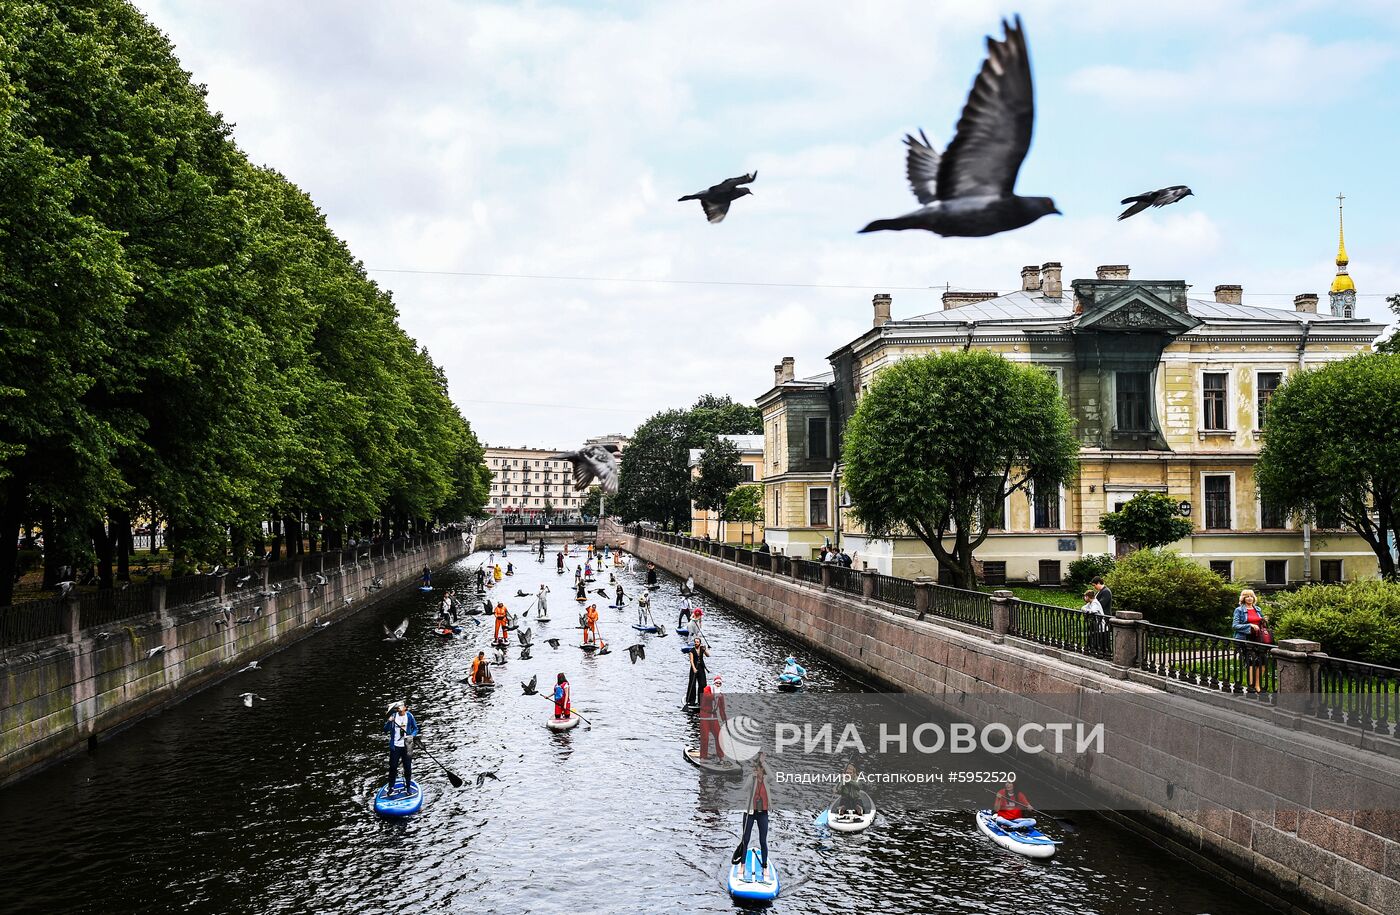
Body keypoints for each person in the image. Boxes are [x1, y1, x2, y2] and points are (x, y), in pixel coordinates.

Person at [733, 752, 772, 880]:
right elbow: (744, 789)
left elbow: (772, 776)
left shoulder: (766, 779)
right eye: (755, 769)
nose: (757, 771)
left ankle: (764, 866)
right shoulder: (752, 778)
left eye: (759, 769)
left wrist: (763, 762)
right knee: (746, 839)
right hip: (749, 812)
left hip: (762, 813)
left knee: (762, 841)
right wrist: (751, 778)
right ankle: (742, 866)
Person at [1232, 588, 1271, 693]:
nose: (1249, 598)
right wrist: (1250, 625)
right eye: (1247, 596)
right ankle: (1252, 686)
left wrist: (1263, 620)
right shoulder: (1239, 610)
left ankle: (1257, 684)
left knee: (1262, 662)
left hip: (1259, 639)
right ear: (1243, 598)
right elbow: (1235, 626)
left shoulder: (1257, 609)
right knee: (1251, 662)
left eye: (1251, 596)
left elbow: (1261, 624)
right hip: (1246, 639)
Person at [383, 699, 419, 796]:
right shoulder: (393, 717)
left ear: (405, 708)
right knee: (393, 767)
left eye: (401, 706)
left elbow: (416, 728)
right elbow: (385, 730)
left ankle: (408, 788)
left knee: (407, 767)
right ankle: (391, 787)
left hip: (407, 746)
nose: (399, 707)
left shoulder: (410, 716)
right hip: (395, 747)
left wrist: (412, 735)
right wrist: (388, 722)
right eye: (398, 706)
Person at [698, 678, 728, 759]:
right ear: (714, 683)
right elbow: (706, 696)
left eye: (719, 683)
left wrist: (724, 719)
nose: (718, 685)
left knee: (719, 736)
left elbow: (722, 709)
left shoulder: (720, 695)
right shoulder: (708, 689)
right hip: (705, 715)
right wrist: (715, 695)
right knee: (705, 738)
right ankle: (703, 757)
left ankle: (721, 756)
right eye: (716, 683)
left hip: (713, 717)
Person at [1082, 588, 1108, 654]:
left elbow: (1093, 611)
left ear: (1087, 596)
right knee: (1093, 638)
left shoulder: (1095, 603)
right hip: (1096, 625)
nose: (1084, 598)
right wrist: (1087, 610)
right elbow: (1083, 608)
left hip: (1101, 626)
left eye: (1085, 596)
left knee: (1100, 641)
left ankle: (1101, 653)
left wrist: (1088, 611)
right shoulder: (1090, 603)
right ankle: (1093, 650)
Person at [685, 637, 709, 706]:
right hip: (694, 668)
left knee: (702, 684)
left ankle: (701, 701)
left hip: (701, 668)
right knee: (692, 685)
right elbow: (691, 661)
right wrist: (694, 668)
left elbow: (708, 655)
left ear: (700, 643)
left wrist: (705, 650)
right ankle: (691, 700)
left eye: (697, 642)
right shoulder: (692, 651)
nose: (696, 643)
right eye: (695, 642)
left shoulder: (702, 649)